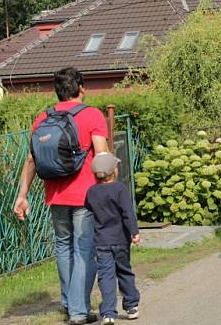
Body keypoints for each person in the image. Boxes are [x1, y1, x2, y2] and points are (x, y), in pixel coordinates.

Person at [13, 67, 108, 325]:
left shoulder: (43, 117)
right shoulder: (92, 116)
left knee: (64, 247)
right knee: (84, 250)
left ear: (57, 91)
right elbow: (101, 158)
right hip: (86, 196)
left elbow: (32, 158)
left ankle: (69, 303)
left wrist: (22, 195)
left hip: (54, 195)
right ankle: (78, 312)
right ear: (81, 88)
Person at [85, 153, 141, 324]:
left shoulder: (91, 191)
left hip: (102, 241)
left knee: (106, 276)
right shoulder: (119, 189)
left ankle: (109, 313)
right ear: (114, 171)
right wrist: (134, 232)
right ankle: (131, 306)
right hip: (121, 240)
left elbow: (88, 207)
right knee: (124, 270)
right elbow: (127, 213)